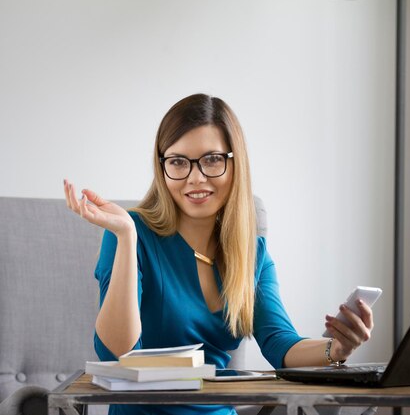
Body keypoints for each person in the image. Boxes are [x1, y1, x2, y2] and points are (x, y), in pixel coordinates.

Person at [63, 93, 375, 415]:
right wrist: (126, 236)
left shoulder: (252, 254)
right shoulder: (130, 232)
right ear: (162, 167)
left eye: (212, 160)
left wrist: (335, 348)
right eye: (178, 162)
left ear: (234, 162)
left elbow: (281, 344)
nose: (195, 178)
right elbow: (117, 353)